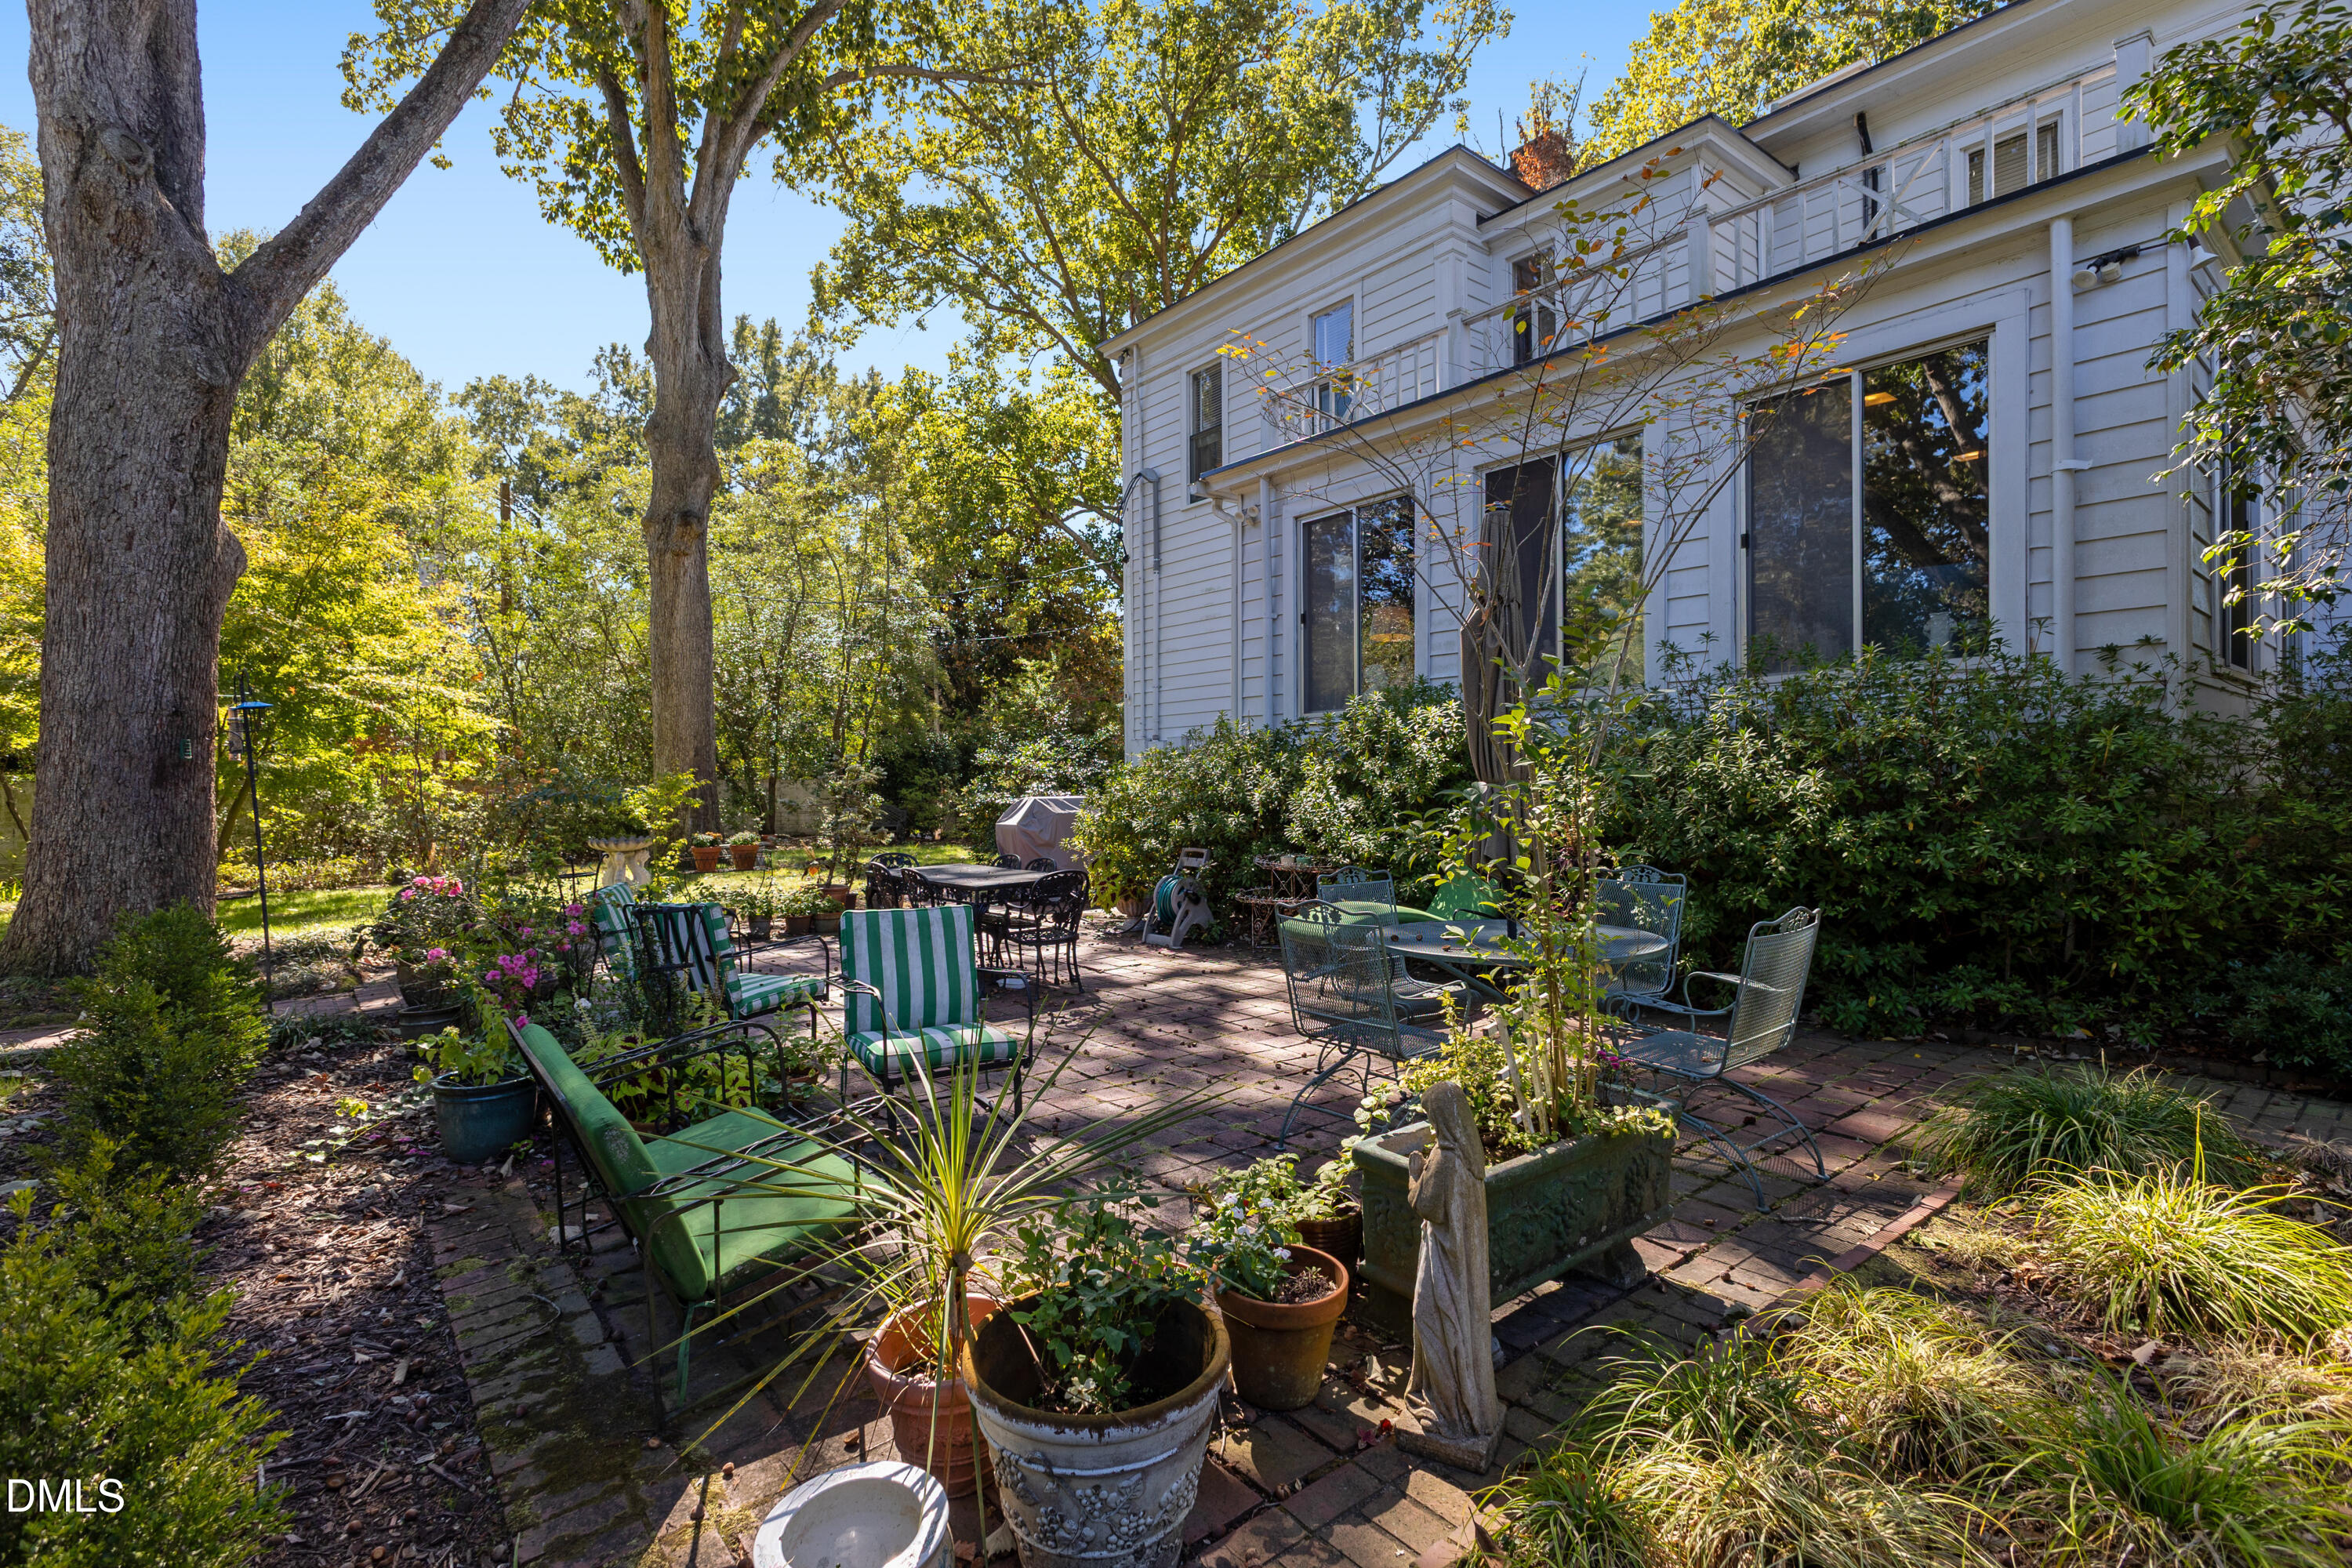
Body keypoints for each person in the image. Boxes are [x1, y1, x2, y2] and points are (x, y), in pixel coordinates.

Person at [1405, 1080, 1501, 1453]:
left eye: (1432, 1118)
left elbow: (1426, 1207)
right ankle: (1461, 1406)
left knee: (1427, 1319)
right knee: (1450, 1329)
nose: (1431, 1126)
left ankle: (1449, 1413)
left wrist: (1414, 1173)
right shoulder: (1469, 1157)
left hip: (1443, 1266)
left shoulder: (1445, 1160)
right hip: (1462, 1266)